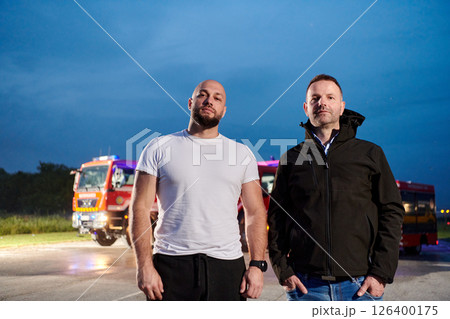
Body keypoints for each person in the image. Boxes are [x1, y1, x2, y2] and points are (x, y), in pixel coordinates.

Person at [267, 74, 405, 301]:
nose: (322, 102)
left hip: (360, 286)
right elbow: (276, 218)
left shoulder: (370, 154)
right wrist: (284, 271)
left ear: (341, 107)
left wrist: (381, 273)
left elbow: (392, 211)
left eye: (330, 97)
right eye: (315, 98)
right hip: (306, 287)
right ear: (306, 107)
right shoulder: (291, 159)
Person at [130, 80, 268, 301]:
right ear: (190, 102)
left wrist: (256, 265)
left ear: (224, 110)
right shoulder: (158, 147)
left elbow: (255, 213)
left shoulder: (242, 154)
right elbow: (140, 209)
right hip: (171, 265)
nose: (209, 100)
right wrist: (144, 266)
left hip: (228, 268)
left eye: (217, 98)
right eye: (202, 95)